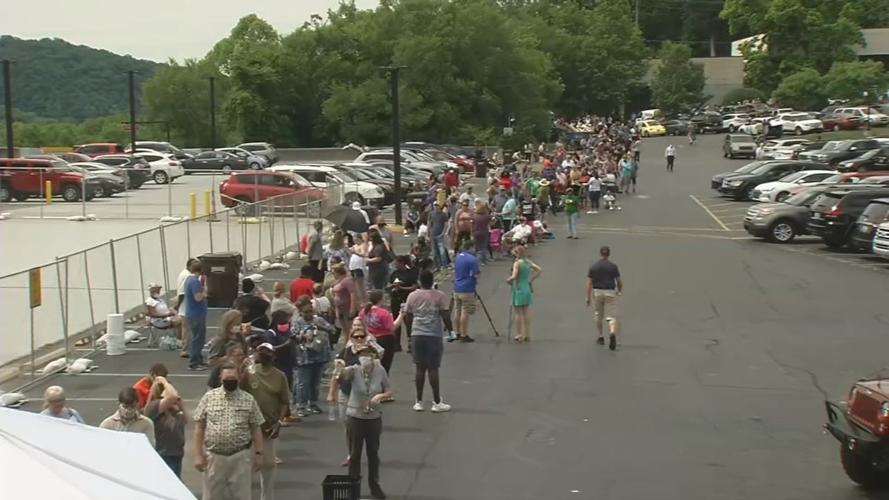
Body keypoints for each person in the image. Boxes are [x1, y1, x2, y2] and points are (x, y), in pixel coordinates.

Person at [193, 363, 265, 500]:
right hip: (214, 457)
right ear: (220, 378)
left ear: (239, 378)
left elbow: (256, 428)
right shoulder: (209, 397)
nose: (230, 381)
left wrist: (259, 453)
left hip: (240, 457)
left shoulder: (248, 399)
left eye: (233, 378)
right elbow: (199, 427)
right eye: (227, 378)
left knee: (242, 496)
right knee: (212, 496)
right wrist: (197, 454)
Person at [333, 347, 392, 499]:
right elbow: (342, 377)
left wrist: (380, 397)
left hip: (373, 417)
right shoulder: (354, 370)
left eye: (368, 356)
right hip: (355, 416)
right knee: (355, 454)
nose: (364, 359)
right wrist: (339, 370)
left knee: (373, 453)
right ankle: (352, 486)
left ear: (373, 357)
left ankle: (374, 485)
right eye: (362, 356)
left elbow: (389, 390)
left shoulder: (380, 370)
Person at [240, 343, 290, 500]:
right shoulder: (250, 373)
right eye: (259, 350)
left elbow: (284, 401)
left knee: (268, 467)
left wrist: (279, 422)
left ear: (272, 356)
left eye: (265, 352)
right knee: (246, 467)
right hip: (249, 427)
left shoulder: (280, 376)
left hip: (269, 428)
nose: (261, 353)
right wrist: (243, 369)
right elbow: (239, 390)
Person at [403, 270, 454, 413]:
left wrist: (409, 335)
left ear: (419, 281)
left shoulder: (412, 295)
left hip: (417, 333)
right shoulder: (439, 296)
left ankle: (418, 401)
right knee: (433, 368)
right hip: (433, 334)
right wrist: (451, 330)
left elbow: (408, 316)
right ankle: (436, 401)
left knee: (419, 368)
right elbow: (445, 315)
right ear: (432, 281)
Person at [292, 303, 333, 417]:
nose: (308, 314)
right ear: (301, 312)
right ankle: (301, 405)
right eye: (306, 312)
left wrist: (321, 327)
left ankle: (313, 404)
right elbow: (292, 336)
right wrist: (304, 335)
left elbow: (331, 329)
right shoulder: (297, 322)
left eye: (310, 311)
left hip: (319, 357)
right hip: (304, 358)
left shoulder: (319, 320)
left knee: (315, 383)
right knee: (303, 383)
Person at [144, 376, 187, 477]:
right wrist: (165, 382)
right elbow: (172, 396)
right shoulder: (153, 407)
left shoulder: (174, 409)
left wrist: (180, 404)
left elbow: (185, 420)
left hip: (177, 453)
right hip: (164, 453)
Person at [585, 245, 623, 351]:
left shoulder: (594, 266)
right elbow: (619, 281)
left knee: (598, 315)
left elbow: (589, 283)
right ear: (608, 254)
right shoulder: (613, 266)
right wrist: (619, 291)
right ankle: (612, 332)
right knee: (612, 316)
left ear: (600, 254)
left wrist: (587, 297)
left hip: (597, 292)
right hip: (610, 292)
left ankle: (601, 336)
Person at [507, 245, 542, 343]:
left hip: (518, 288)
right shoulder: (527, 262)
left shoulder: (517, 263)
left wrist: (509, 280)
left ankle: (519, 334)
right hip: (526, 286)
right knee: (526, 312)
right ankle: (528, 334)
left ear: (517, 253)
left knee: (518, 313)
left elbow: (514, 276)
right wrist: (531, 280)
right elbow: (539, 269)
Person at [358, 290, 396, 372]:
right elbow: (391, 328)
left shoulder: (363, 311)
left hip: (370, 339)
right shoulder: (384, 313)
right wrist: (401, 316)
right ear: (380, 299)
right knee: (384, 366)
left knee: (371, 365)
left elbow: (361, 324)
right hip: (385, 339)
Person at [183, 259, 209, 371]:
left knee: (198, 337)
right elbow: (197, 297)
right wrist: (204, 293)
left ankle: (198, 359)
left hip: (193, 313)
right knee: (198, 338)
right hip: (196, 314)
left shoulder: (189, 279)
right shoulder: (194, 282)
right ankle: (194, 362)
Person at [452, 240, 479, 343]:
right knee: (465, 312)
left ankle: (458, 332)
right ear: (470, 247)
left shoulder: (458, 257)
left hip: (457, 287)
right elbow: (476, 274)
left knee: (457, 311)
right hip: (467, 288)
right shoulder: (472, 259)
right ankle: (464, 334)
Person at [176, 258, 198, 359]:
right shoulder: (187, 276)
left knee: (187, 329)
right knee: (187, 330)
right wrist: (177, 305)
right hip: (187, 308)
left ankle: (187, 348)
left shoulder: (185, 274)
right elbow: (182, 293)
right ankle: (185, 349)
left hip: (186, 308)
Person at [332, 263, 359, 336]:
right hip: (340, 308)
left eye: (334, 272)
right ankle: (346, 343)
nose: (333, 274)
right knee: (344, 330)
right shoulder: (337, 281)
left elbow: (352, 294)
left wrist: (352, 308)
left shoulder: (347, 281)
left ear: (338, 272)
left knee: (350, 329)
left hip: (347, 307)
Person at [428, 203, 450, 271]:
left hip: (440, 236)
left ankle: (444, 265)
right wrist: (428, 234)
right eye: (435, 206)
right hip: (433, 235)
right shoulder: (431, 214)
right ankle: (437, 266)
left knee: (442, 251)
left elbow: (446, 225)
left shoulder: (443, 215)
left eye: (437, 206)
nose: (436, 207)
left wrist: (443, 233)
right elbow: (429, 223)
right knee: (434, 252)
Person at [349, 234, 368, 303]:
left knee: (361, 285)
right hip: (352, 266)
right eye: (354, 240)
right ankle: (358, 300)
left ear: (360, 239)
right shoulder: (354, 246)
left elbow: (363, 254)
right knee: (354, 284)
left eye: (356, 240)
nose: (355, 241)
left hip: (359, 266)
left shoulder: (362, 245)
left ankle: (364, 300)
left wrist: (355, 252)